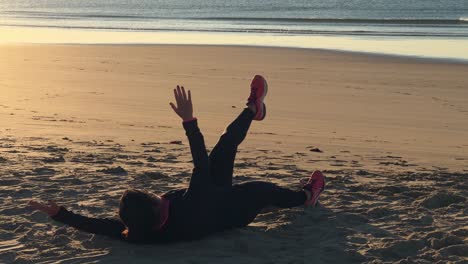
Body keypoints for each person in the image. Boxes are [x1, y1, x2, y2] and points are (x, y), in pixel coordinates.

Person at [29, 75, 325, 244]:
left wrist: (60, 214)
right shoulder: (189, 203)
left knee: (225, 147)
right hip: (232, 209)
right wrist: (189, 121)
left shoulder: (139, 233)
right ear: (155, 205)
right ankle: (307, 195)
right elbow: (200, 163)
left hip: (212, 203)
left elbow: (99, 225)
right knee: (261, 188)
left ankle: (254, 110)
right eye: (150, 195)